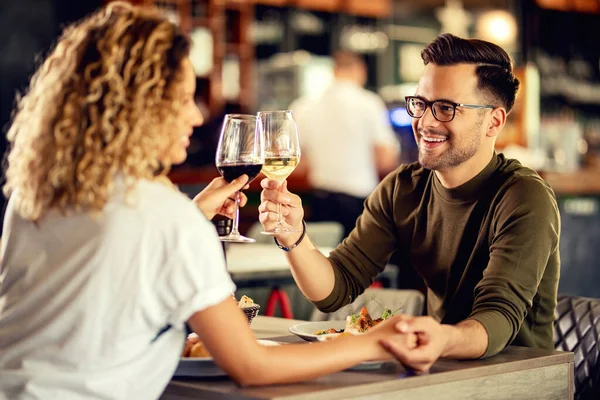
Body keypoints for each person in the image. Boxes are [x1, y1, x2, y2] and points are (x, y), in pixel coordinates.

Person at [0, 3, 417, 399]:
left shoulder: (36, 194)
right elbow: (252, 365)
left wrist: (191, 213)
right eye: (182, 98)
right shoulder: (162, 215)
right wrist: (370, 343)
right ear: (138, 107)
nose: (195, 116)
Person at [259, 33, 560, 373]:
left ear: (494, 121)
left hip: (519, 378)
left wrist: (440, 339)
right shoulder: (403, 188)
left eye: (446, 108)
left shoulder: (523, 196)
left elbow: (498, 318)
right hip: (437, 371)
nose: (426, 122)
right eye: (421, 103)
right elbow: (335, 288)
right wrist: (293, 237)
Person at [289, 51, 400, 238]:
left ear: (333, 71)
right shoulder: (369, 103)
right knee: (358, 263)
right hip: (359, 201)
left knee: (323, 258)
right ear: (360, 71)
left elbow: (297, 161)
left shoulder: (304, 106)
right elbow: (385, 159)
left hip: (320, 198)